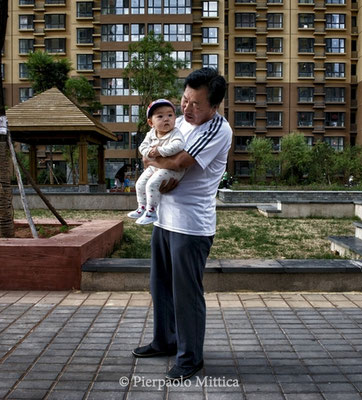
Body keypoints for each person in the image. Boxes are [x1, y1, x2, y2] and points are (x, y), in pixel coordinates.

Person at [131, 68, 233, 382]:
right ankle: (165, 340)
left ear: (214, 108)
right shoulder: (179, 122)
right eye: (184, 100)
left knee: (186, 293)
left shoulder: (218, 130)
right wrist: (153, 160)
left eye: (195, 105)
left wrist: (156, 161)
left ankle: (190, 358)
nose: (186, 109)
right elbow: (148, 151)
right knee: (159, 285)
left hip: (191, 226)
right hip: (164, 218)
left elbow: (177, 163)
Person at [127, 99, 185, 225]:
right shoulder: (151, 133)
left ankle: (152, 212)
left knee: (151, 184)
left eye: (170, 115)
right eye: (160, 116)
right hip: (156, 166)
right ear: (150, 122)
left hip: (171, 169)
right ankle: (141, 207)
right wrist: (148, 152)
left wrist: (159, 151)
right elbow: (142, 147)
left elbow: (179, 145)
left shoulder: (175, 133)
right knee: (140, 184)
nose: (166, 119)